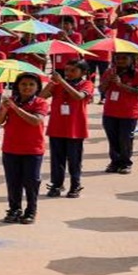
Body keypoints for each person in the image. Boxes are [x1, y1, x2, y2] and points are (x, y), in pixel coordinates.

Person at [0, 73, 49, 224]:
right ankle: (14, 208)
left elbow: (35, 121)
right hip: (11, 147)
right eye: (23, 84)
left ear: (37, 87)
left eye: (31, 85)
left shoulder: (40, 102)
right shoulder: (10, 101)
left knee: (31, 181)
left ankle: (31, 210)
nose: (27, 87)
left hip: (32, 149)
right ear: (17, 86)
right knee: (13, 181)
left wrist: (15, 108)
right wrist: (4, 109)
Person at [44, 60, 91, 197]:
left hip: (75, 129)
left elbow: (78, 96)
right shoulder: (58, 84)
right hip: (57, 126)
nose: (68, 74)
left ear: (83, 73)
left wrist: (62, 82)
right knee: (57, 159)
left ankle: (75, 185)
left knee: (74, 159)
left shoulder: (86, 84)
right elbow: (41, 97)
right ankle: (57, 184)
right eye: (67, 71)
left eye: (73, 71)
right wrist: (52, 83)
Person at [103, 52, 138, 174]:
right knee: (113, 138)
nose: (120, 61)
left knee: (125, 139)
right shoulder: (109, 72)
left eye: (124, 58)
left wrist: (120, 85)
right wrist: (108, 81)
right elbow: (101, 89)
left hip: (128, 113)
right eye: (117, 58)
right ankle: (114, 162)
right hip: (110, 111)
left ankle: (126, 163)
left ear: (132, 59)